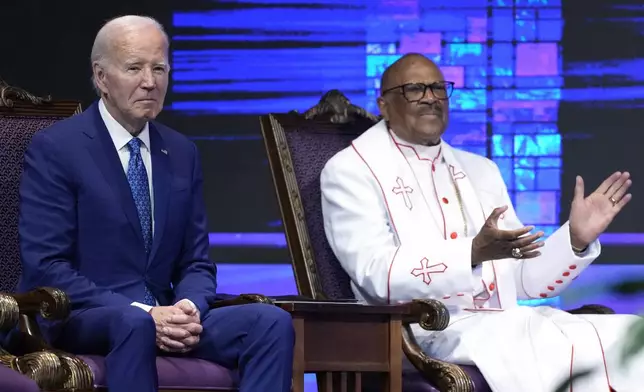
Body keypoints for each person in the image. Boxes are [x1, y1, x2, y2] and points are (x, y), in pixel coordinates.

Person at [320, 53, 642, 391]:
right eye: (414, 89)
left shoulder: (480, 170)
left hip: (501, 322)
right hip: (426, 329)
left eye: (439, 88)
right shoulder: (353, 171)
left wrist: (574, 238)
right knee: (546, 346)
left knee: (627, 336)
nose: (430, 97)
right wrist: (471, 253)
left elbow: (522, 281)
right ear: (384, 104)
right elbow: (376, 274)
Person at [17, 15, 294, 392]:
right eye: (134, 68)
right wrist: (146, 313)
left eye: (159, 68)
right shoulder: (58, 149)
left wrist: (188, 308)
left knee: (269, 322)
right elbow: (47, 266)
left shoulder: (181, 152)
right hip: (85, 315)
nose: (150, 82)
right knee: (134, 324)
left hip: (166, 314)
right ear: (101, 78)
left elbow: (196, 261)